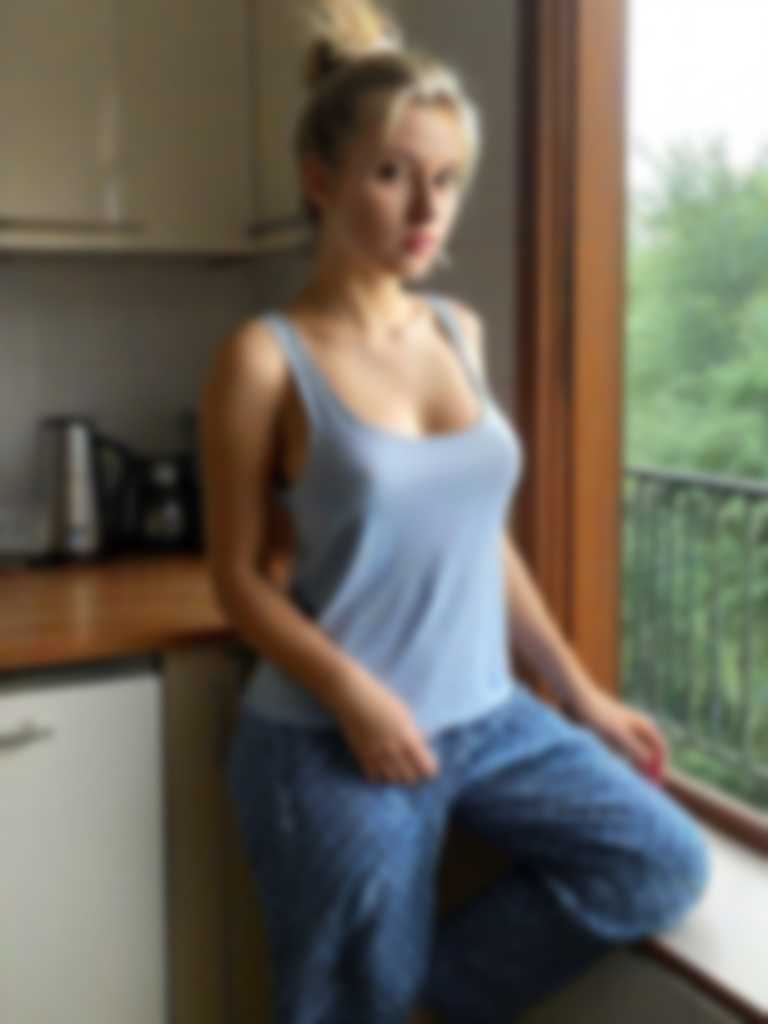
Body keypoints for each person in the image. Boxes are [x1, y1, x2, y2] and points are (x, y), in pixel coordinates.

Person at [200, 1, 711, 1021]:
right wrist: (356, 697)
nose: (426, 207)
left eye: (446, 179)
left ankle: (428, 996)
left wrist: (579, 692)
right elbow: (237, 580)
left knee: (660, 861)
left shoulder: (457, 329)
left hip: (487, 717)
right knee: (351, 1001)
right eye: (393, 174)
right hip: (331, 741)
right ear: (321, 180)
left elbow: (482, 544)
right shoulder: (263, 359)